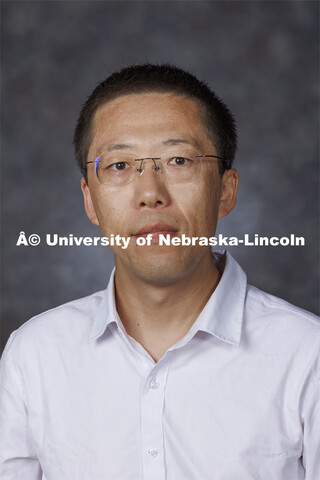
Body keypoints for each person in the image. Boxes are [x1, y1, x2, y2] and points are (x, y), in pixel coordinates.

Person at [0, 64, 319, 480]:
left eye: (178, 160)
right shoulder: (34, 356)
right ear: (90, 201)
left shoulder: (307, 356)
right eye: (119, 165)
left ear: (226, 191)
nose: (150, 193)